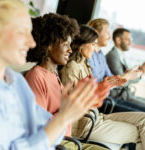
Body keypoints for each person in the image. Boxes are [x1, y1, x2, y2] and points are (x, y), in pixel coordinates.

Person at [0, 0, 106, 149]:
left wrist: (73, 107)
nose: (32, 43)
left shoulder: (15, 81)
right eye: (21, 32)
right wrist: (63, 117)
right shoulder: (30, 78)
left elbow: (44, 125)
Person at [25, 14, 108, 150]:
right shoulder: (36, 77)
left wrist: (81, 102)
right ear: (49, 46)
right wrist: (69, 109)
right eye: (65, 45)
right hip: (58, 143)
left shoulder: (54, 74)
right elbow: (38, 128)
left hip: (66, 139)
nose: (70, 50)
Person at [59, 24, 145, 150]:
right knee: (139, 132)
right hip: (85, 124)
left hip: (96, 115)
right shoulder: (72, 68)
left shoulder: (83, 64)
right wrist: (111, 83)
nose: (95, 49)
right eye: (93, 44)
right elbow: (75, 104)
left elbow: (97, 88)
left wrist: (118, 80)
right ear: (82, 44)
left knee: (143, 119)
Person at [87, 18, 145, 112]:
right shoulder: (92, 56)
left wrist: (128, 75)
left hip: (112, 97)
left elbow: (112, 78)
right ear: (96, 33)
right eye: (107, 32)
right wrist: (129, 76)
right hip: (106, 100)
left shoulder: (100, 54)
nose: (110, 36)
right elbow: (100, 84)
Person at [106, 28, 145, 103]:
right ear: (118, 40)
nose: (130, 43)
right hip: (120, 97)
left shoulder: (120, 55)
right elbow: (122, 81)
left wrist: (139, 71)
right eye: (128, 39)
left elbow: (127, 76)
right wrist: (140, 73)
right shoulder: (113, 56)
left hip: (126, 94)